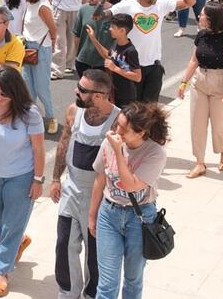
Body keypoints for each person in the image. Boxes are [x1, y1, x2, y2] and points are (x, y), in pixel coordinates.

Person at [0, 67, 45, 297]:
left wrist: (37, 179)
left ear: (15, 91)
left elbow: (38, 149)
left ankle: (2, 272)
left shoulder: (30, 113)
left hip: (21, 177)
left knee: (12, 223)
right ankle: (18, 241)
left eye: (3, 93)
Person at [89, 102, 170, 299]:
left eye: (124, 130)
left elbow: (131, 185)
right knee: (107, 283)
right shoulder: (109, 142)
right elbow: (100, 180)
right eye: (117, 125)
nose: (117, 132)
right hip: (109, 214)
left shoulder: (155, 153)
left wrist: (118, 151)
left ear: (141, 133)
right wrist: (92, 216)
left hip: (140, 218)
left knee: (133, 280)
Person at [51, 69, 119, 299]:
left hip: (99, 195)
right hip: (71, 189)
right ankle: (68, 292)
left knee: (95, 252)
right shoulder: (73, 111)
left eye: (81, 89)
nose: (75, 91)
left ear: (99, 96)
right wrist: (54, 179)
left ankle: (92, 294)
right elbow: (63, 144)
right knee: (64, 244)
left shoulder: (118, 121)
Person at [106, 0, 195, 103]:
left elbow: (190, 2)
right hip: (130, 68)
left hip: (153, 67)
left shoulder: (161, 4)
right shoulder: (127, 5)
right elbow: (101, 16)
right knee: (131, 110)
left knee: (149, 111)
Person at [177, 3, 223, 178]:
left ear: (212, 18)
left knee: (219, 124)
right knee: (197, 125)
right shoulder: (201, 35)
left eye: (202, 15)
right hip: (200, 82)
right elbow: (193, 61)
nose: (199, 17)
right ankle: (200, 162)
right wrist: (184, 82)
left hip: (220, 83)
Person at [21, 0, 58, 133]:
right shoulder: (30, 3)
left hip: (40, 48)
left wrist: (53, 44)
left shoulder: (43, 6)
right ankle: (32, 116)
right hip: (27, 47)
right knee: (28, 86)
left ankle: (51, 118)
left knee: (42, 87)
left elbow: (53, 28)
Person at [90, 14, 141, 107]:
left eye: (113, 27)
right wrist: (93, 39)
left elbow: (137, 77)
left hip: (126, 96)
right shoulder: (115, 43)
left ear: (122, 31)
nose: (110, 29)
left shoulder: (131, 51)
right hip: (113, 91)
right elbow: (108, 56)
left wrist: (115, 68)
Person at [73, 0, 113, 77]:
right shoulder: (83, 9)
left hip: (104, 64)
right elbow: (77, 36)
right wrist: (78, 56)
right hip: (83, 62)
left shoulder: (114, 12)